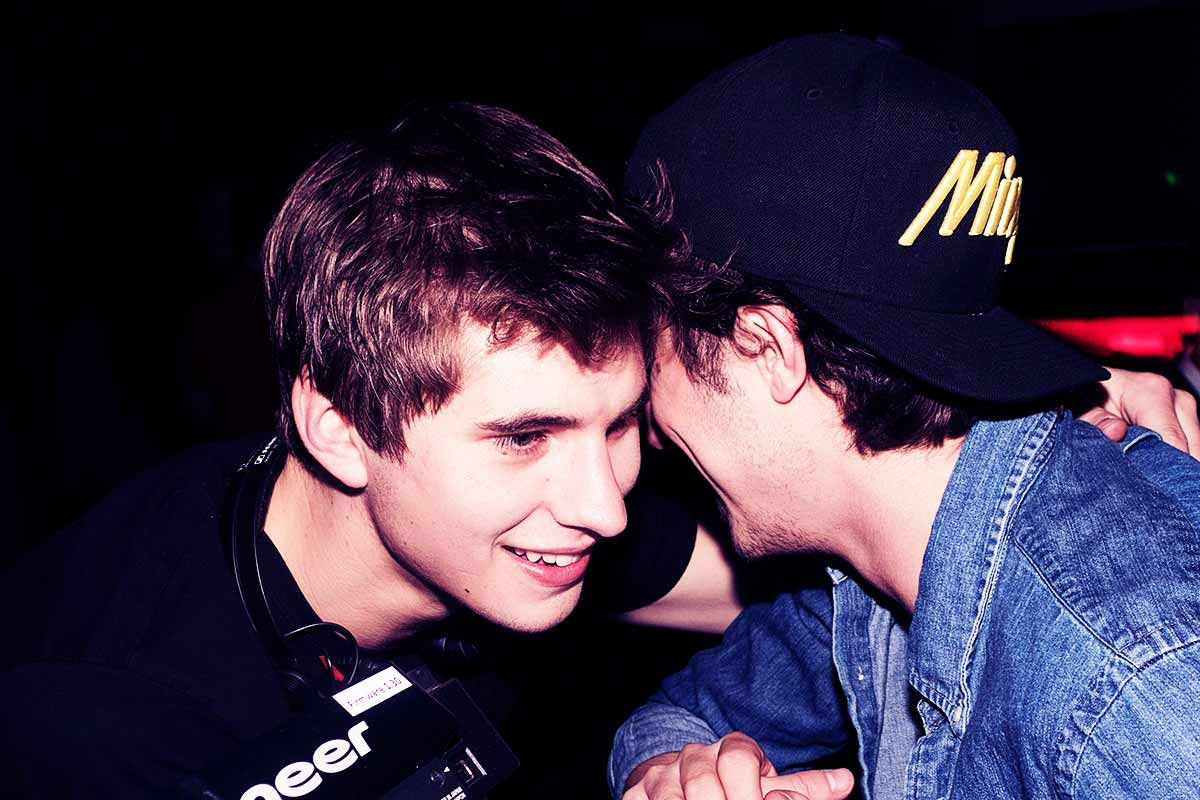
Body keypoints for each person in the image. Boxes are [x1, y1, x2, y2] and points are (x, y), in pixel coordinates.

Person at [0, 99, 1187, 799]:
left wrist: (1045, 409)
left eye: (621, 423)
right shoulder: (104, 718)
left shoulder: (539, 526)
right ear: (339, 429)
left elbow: (881, 540)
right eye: (523, 434)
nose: (608, 505)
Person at [611, 35, 1200, 800]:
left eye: (654, 349)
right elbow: (682, 716)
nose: (652, 426)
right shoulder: (880, 563)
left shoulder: (1134, 694)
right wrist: (676, 775)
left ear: (765, 349)